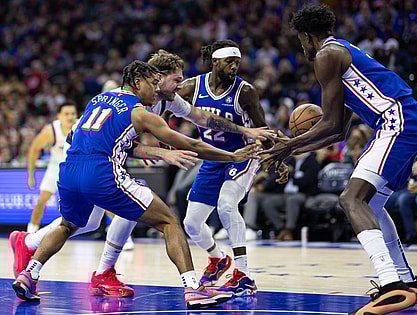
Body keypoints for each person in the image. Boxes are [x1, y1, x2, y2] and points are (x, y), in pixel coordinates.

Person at [9, 50, 273, 297]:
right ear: (149, 79)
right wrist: (228, 155)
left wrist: (246, 131)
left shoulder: (134, 98)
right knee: (160, 218)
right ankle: (180, 285)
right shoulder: (139, 106)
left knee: (84, 222)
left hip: (79, 167)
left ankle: (30, 262)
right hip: (98, 161)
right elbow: (189, 143)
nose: (179, 86)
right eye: (174, 80)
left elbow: (201, 118)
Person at [262, 5, 417, 314]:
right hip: (409, 120)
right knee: (372, 205)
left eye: (301, 42)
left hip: (397, 121)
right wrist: (292, 147)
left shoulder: (326, 55)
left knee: (351, 199)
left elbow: (326, 125)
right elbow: (337, 129)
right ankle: (409, 283)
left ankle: (391, 285)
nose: (303, 48)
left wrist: (287, 146)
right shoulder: (345, 54)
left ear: (308, 37)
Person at [178, 40, 283, 296]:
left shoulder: (245, 91)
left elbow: (264, 129)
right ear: (215, 62)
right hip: (215, 157)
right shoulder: (193, 86)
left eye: (237, 61)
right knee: (191, 224)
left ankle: (244, 275)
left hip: (245, 154)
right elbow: (165, 107)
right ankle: (218, 259)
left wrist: (278, 161)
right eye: (229, 61)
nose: (235, 66)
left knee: (226, 203)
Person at [26, 101, 78, 233]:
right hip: (56, 167)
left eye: (72, 113)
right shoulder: (50, 131)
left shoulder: (82, 126)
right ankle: (30, 232)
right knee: (41, 201)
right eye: (66, 114)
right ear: (59, 116)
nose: (70, 117)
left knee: (99, 199)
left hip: (76, 168)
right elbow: (34, 149)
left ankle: (121, 236)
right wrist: (31, 175)